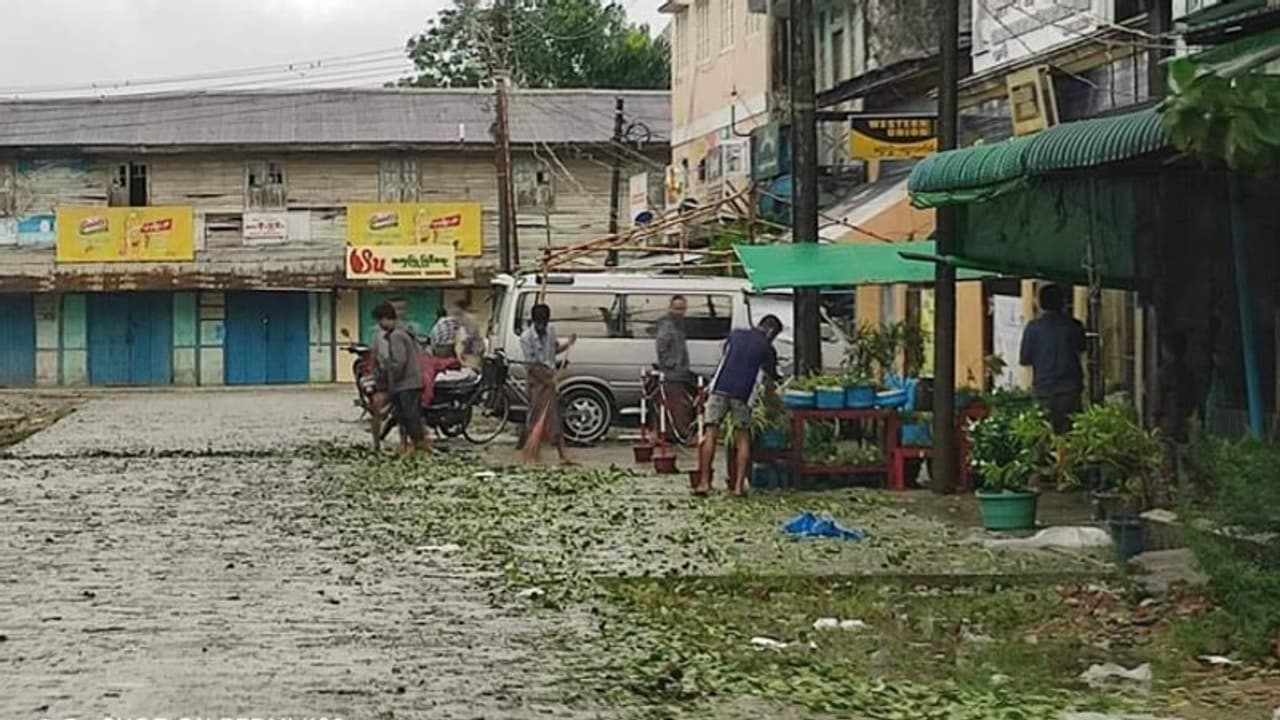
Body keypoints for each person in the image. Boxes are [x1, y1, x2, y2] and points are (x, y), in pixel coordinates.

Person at [696, 314, 783, 497]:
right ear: (771, 331)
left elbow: (725, 357)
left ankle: (704, 483)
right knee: (742, 439)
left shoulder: (735, 335)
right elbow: (771, 377)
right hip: (742, 395)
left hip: (718, 389)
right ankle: (737, 488)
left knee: (710, 434)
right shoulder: (767, 348)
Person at [1019, 284, 1086, 434]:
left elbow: (1025, 359)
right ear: (1063, 302)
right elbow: (1082, 348)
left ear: (1039, 303)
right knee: (1071, 436)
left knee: (1045, 437)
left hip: (1044, 391)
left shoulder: (1032, 328)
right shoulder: (1074, 326)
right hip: (1070, 390)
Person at [520, 303, 577, 464]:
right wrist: (547, 379)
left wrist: (569, 343)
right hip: (537, 382)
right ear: (534, 321)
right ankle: (533, 454)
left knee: (554, 418)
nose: (541, 327)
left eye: (544, 323)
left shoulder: (550, 331)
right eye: (539, 324)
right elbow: (531, 366)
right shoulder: (526, 338)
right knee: (536, 418)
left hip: (549, 380)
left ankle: (563, 455)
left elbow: (555, 349)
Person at [373, 302, 428, 453]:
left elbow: (399, 362)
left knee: (410, 416)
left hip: (407, 383)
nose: (379, 324)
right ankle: (409, 445)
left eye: (379, 321)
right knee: (402, 416)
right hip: (407, 382)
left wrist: (390, 380)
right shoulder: (401, 332)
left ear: (385, 318)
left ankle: (420, 446)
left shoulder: (397, 335)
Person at [654, 295, 693, 440]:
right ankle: (681, 434)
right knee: (677, 406)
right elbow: (661, 347)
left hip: (680, 372)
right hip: (672, 373)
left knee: (677, 405)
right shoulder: (667, 324)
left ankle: (671, 434)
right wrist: (672, 364)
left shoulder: (678, 324)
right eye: (677, 308)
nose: (680, 312)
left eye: (682, 309)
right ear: (670, 308)